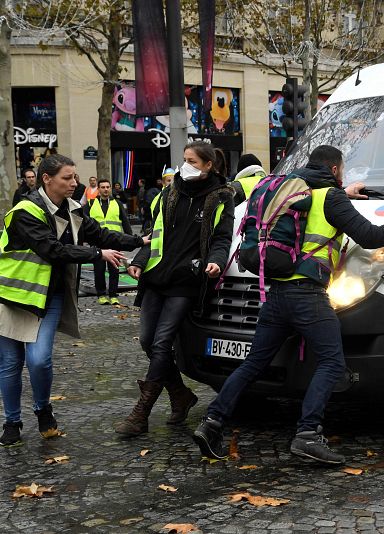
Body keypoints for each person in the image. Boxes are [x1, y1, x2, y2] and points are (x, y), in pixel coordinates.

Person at [193, 145, 384, 464]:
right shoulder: (331, 198)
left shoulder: (288, 191)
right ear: (336, 170)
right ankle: (308, 435)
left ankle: (212, 422)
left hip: (275, 293)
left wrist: (346, 194)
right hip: (308, 296)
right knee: (332, 362)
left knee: (254, 364)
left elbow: (316, 213)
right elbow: (367, 235)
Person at [0, 155, 147, 446]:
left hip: (48, 296)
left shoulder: (74, 209)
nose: (74, 183)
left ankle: (43, 410)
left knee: (39, 360)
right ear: (47, 179)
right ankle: (12, 421)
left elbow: (99, 233)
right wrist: (96, 254)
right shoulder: (24, 211)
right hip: (11, 296)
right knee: (9, 363)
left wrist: (138, 242)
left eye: (75, 177)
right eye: (67, 177)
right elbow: (51, 249)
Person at [117, 141, 234, 437]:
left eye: (192, 161)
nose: (185, 166)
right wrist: (140, 261)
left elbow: (222, 238)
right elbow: (154, 233)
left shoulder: (221, 197)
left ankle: (140, 413)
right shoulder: (170, 193)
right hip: (157, 277)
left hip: (187, 280)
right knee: (147, 340)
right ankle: (181, 394)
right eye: (184, 160)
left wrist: (216, 262)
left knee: (161, 342)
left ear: (208, 165)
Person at [84, 178, 134, 305]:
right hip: (98, 242)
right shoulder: (90, 204)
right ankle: (101, 294)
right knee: (99, 269)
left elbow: (125, 222)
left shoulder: (117, 203)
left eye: (108, 187)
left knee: (114, 269)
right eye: (103, 187)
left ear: (110, 188)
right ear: (98, 189)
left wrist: (131, 240)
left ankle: (113, 294)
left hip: (114, 241)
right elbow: (83, 223)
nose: (106, 189)